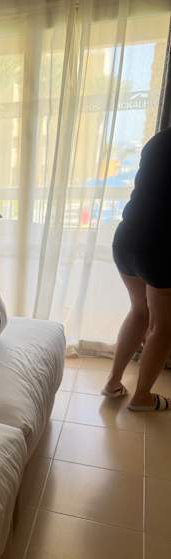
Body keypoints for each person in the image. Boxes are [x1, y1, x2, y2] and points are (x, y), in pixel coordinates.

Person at [102, 126, 171, 411]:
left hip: (127, 236)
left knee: (140, 311)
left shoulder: (159, 141)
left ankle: (113, 383)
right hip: (161, 244)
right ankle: (142, 397)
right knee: (164, 326)